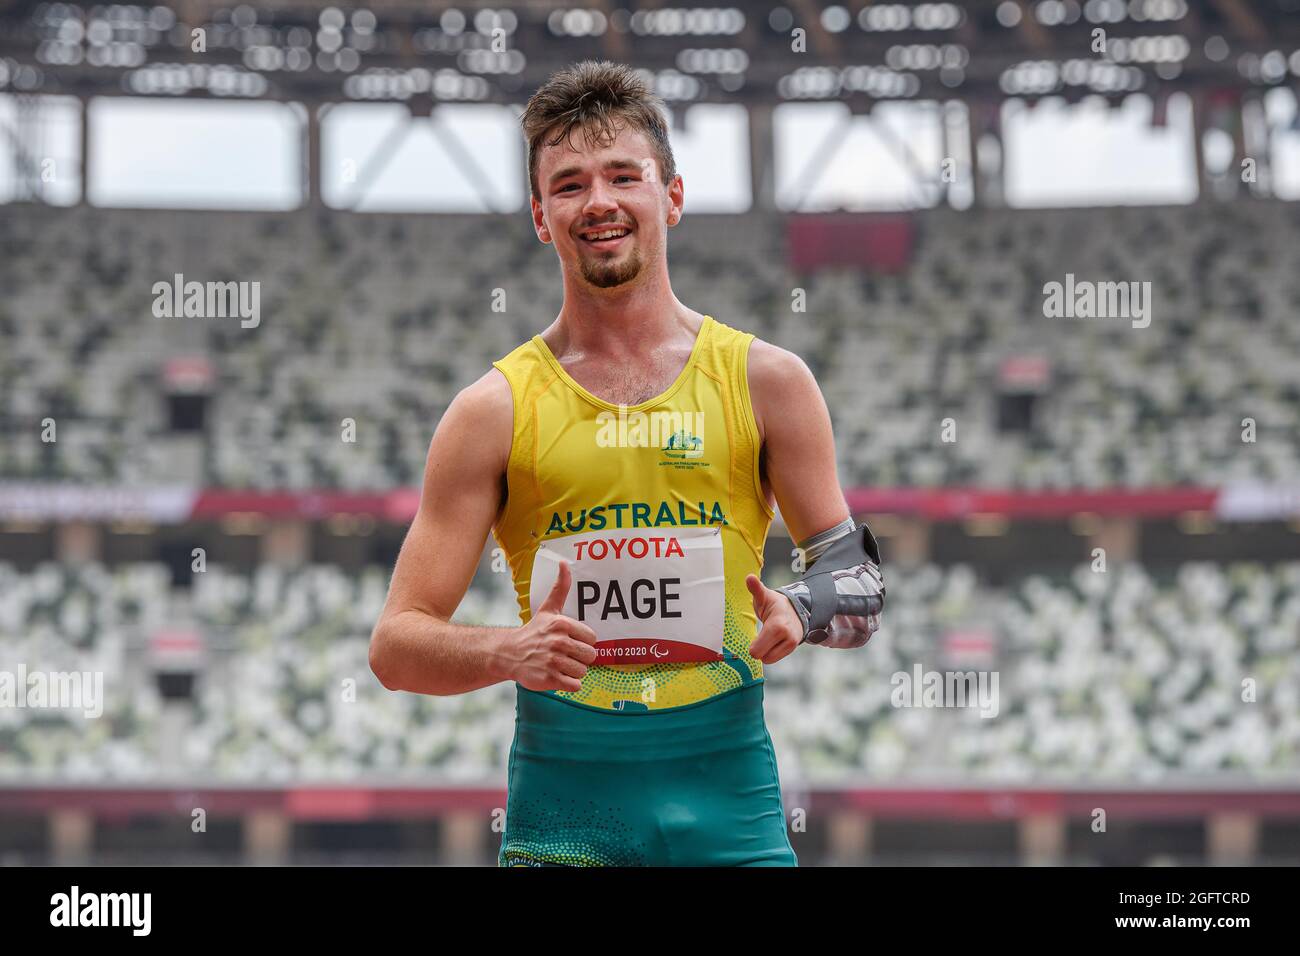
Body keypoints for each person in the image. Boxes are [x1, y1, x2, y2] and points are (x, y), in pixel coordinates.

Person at [369, 60, 882, 866]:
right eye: (569, 185)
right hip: (564, 820)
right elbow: (396, 647)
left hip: (732, 815)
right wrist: (512, 651)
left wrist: (801, 610)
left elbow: (863, 585)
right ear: (541, 217)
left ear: (671, 195)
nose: (599, 201)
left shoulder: (768, 383)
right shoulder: (491, 412)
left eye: (622, 176)